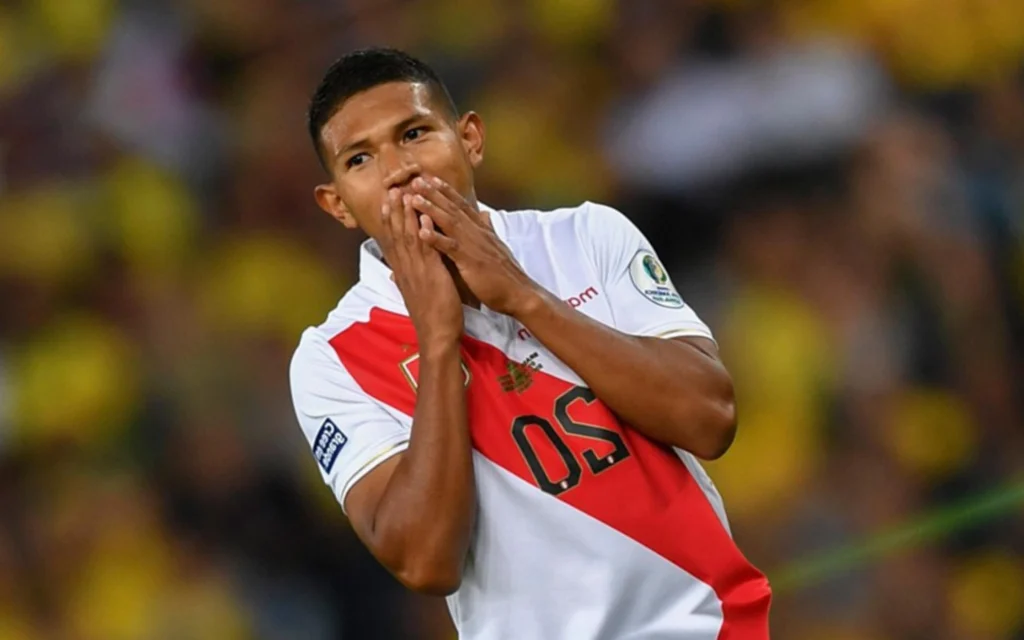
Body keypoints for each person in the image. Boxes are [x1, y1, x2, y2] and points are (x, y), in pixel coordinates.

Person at [289, 47, 772, 639]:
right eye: (360, 158)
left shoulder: (587, 236)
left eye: (414, 133)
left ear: (470, 139)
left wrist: (523, 296)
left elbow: (710, 418)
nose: (398, 170)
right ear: (336, 203)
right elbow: (424, 561)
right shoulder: (332, 358)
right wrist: (438, 342)